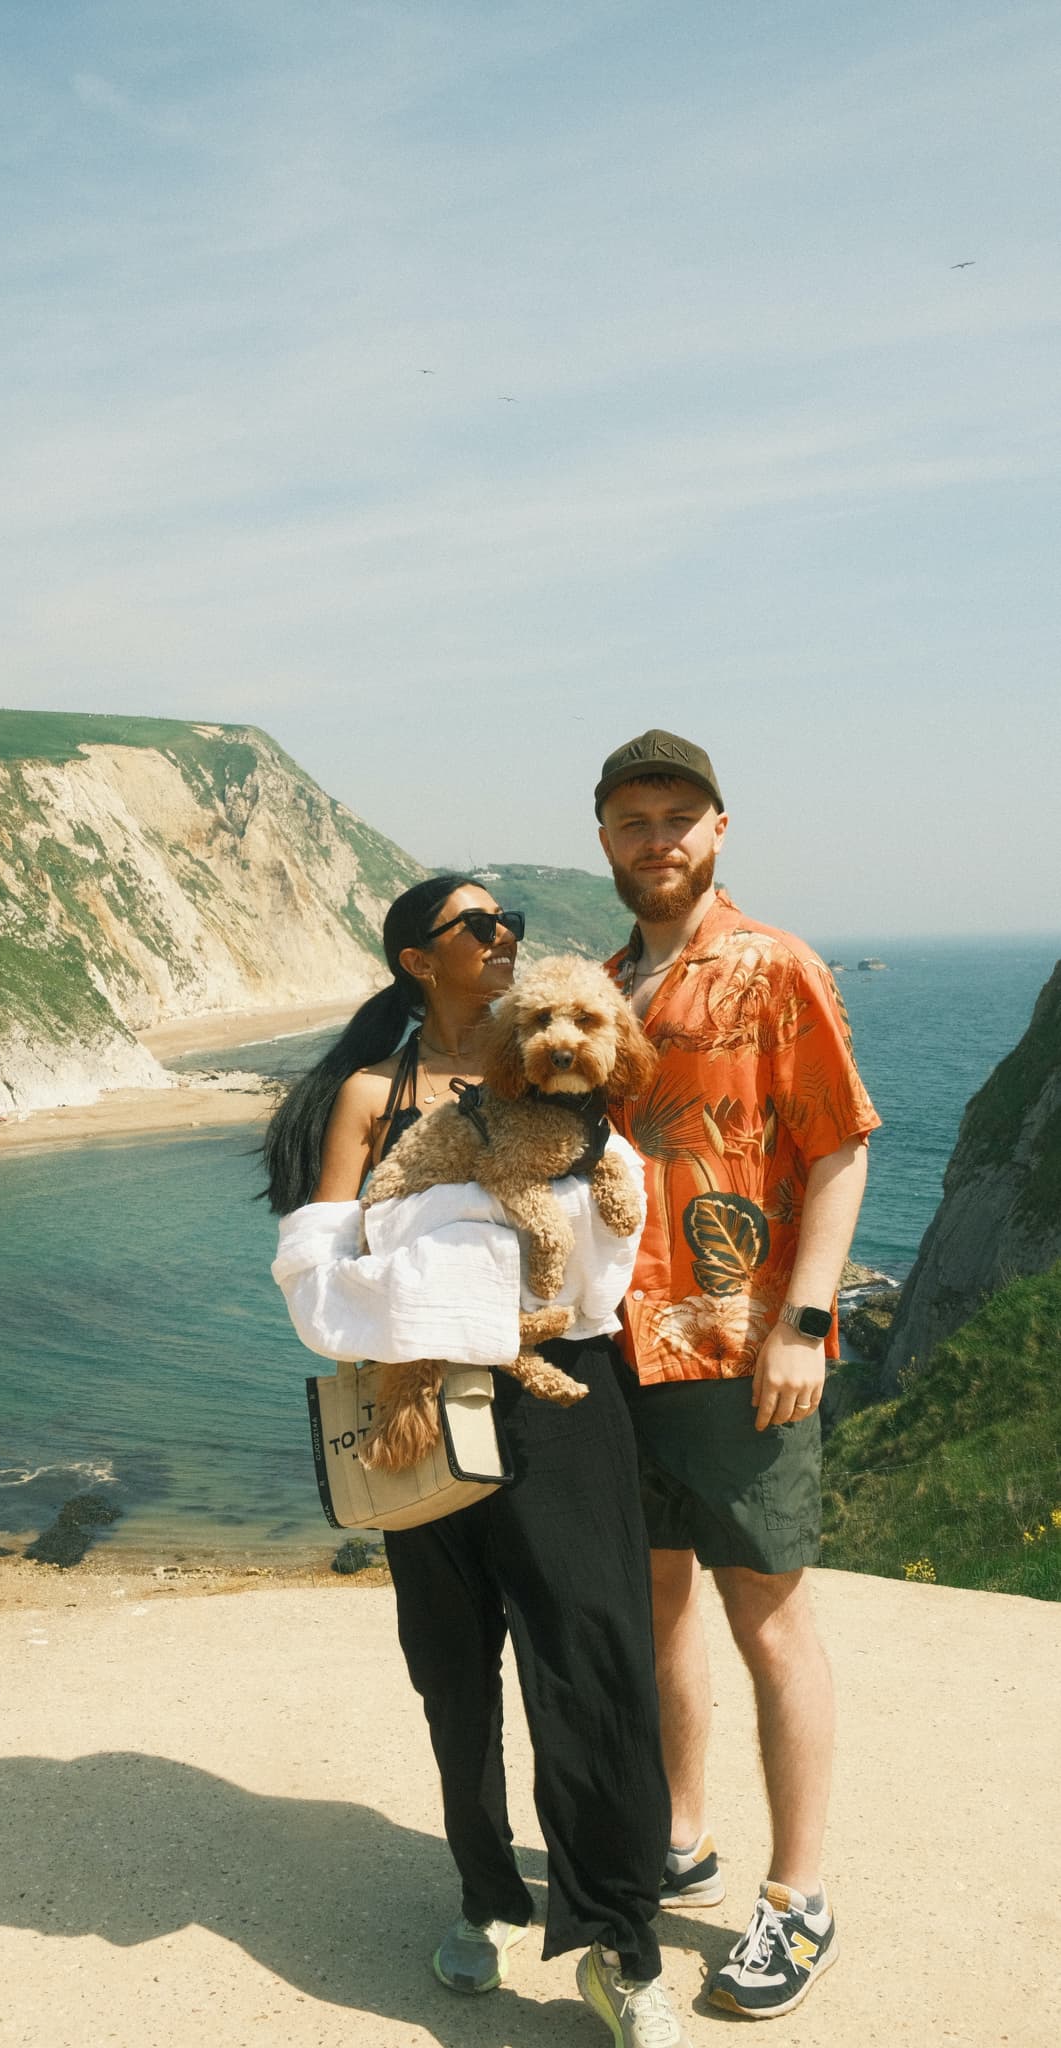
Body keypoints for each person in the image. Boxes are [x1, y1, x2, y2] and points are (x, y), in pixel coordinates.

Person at [264, 874, 692, 2048]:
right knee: (452, 1667)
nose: (505, 937)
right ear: (418, 958)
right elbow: (312, 1274)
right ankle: (487, 1891)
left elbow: (605, 1264)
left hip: (567, 1399)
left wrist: (452, 1272)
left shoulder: (579, 1077)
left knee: (596, 1660)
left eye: (512, 922)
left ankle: (621, 1943)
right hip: (423, 1399)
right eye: (478, 925)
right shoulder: (371, 1093)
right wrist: (455, 1296)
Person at [594, 729, 880, 2022]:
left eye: (678, 816)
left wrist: (805, 1323)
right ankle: (681, 1836)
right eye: (633, 819)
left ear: (718, 828)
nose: (657, 838)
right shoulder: (604, 985)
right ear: (605, 838)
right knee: (658, 1602)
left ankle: (799, 1897)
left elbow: (841, 1145)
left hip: (738, 1346)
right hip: (616, 1348)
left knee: (767, 1614)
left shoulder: (773, 965)